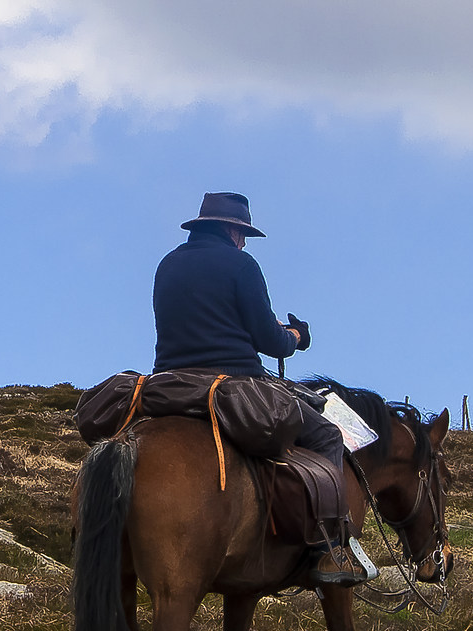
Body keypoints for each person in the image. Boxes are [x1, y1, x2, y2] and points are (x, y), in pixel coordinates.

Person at [152, 192, 366, 586]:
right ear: (234, 230)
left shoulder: (167, 265)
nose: (245, 242)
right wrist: (296, 336)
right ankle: (329, 548)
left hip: (169, 384)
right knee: (328, 436)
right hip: (234, 383)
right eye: (244, 233)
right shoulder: (241, 265)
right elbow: (269, 339)